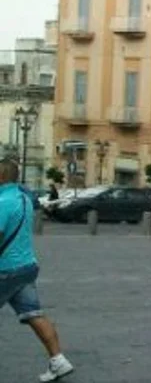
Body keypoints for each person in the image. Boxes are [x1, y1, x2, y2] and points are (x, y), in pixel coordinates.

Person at [0, 159, 75, 381]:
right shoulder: (24, 198)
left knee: (34, 315)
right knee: (34, 315)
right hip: (26, 267)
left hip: (6, 270)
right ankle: (58, 361)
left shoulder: (3, 201)